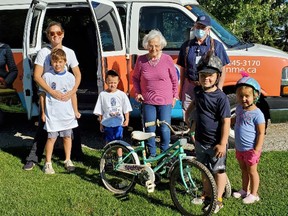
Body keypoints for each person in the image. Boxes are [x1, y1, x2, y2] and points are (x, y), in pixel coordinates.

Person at [23, 21, 83, 170]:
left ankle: (74, 156)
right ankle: (33, 158)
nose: (55, 36)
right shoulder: (44, 53)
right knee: (44, 128)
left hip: (65, 96)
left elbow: (77, 74)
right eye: (52, 33)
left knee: (72, 126)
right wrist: (52, 92)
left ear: (63, 34)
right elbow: (37, 76)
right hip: (48, 96)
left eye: (58, 33)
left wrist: (72, 91)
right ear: (48, 36)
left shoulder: (70, 52)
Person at [186, 55, 231, 213]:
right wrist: (187, 115)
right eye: (203, 75)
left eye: (210, 75)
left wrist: (223, 143)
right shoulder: (198, 91)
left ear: (217, 76)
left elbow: (226, 121)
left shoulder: (221, 98)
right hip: (200, 140)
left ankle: (218, 199)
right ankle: (206, 193)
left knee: (219, 171)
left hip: (216, 143)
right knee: (204, 169)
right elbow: (195, 103)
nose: (206, 78)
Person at [132, 29, 178, 158]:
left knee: (164, 129)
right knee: (150, 129)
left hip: (165, 100)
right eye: (151, 45)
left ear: (161, 45)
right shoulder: (141, 60)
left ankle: (164, 155)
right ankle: (152, 155)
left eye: (156, 45)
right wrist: (138, 93)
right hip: (148, 101)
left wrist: (175, 96)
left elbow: (175, 80)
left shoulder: (167, 59)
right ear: (146, 45)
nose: (153, 48)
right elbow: (135, 78)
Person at [177, 15, 230, 118]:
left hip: (209, 86)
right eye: (198, 26)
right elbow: (183, 69)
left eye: (203, 27)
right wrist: (181, 89)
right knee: (189, 115)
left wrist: (219, 87)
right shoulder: (186, 46)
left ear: (208, 29)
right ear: (194, 27)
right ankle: (192, 133)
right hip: (190, 86)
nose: (200, 29)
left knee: (207, 115)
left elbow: (223, 68)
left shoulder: (216, 46)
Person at [40, 48, 80, 174]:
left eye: (60, 62)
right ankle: (48, 163)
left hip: (67, 114)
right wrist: (42, 112)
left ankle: (67, 160)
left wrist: (76, 110)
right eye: (55, 62)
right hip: (52, 114)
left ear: (65, 62)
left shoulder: (70, 77)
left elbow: (73, 95)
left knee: (68, 137)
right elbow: (42, 95)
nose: (57, 64)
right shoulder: (47, 76)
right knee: (51, 138)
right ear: (51, 62)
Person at [232, 74, 265, 204]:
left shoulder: (257, 114)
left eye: (247, 96)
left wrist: (257, 149)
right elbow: (235, 119)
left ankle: (254, 194)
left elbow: (261, 133)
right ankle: (245, 190)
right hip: (240, 148)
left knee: (252, 171)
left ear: (255, 96)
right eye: (241, 96)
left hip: (251, 149)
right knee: (243, 170)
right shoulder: (239, 108)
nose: (244, 99)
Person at [93, 69, 132, 160]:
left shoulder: (121, 95)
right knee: (109, 142)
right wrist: (101, 123)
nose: (112, 85)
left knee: (119, 142)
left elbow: (126, 108)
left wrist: (127, 119)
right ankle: (108, 158)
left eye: (114, 82)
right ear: (106, 81)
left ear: (118, 82)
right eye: (110, 82)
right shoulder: (103, 95)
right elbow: (100, 110)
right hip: (107, 123)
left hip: (118, 123)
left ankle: (120, 159)